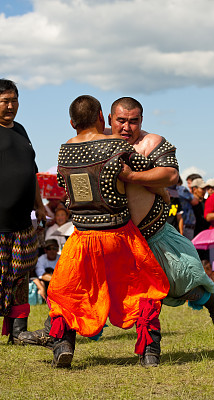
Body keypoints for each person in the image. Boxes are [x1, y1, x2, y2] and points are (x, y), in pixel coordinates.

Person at [32, 95, 170, 368]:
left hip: (81, 236)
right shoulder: (117, 146)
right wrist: (163, 193)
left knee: (66, 291)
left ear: (71, 123)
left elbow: (62, 182)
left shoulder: (64, 151)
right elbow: (150, 172)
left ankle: (62, 345)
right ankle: (149, 351)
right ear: (100, 118)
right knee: (145, 289)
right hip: (120, 236)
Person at [108, 97, 214, 332]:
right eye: (121, 120)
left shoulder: (152, 141)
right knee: (89, 285)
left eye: (133, 121)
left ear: (141, 120)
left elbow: (170, 175)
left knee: (179, 283)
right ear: (110, 118)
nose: (126, 127)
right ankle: (62, 334)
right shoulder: (98, 140)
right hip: (113, 236)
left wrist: (132, 176)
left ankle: (211, 299)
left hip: (152, 232)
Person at [0, 79, 46, 344]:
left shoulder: (21, 130)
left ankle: (19, 332)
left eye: (14, 100)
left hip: (22, 221)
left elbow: (32, 173)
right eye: (5, 101)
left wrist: (39, 204)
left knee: (20, 275)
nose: (10, 106)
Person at [191, 178, 210, 259]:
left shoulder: (207, 202)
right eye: (202, 189)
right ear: (194, 189)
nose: (204, 191)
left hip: (206, 237)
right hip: (193, 236)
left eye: (205, 189)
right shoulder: (187, 203)